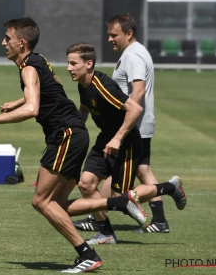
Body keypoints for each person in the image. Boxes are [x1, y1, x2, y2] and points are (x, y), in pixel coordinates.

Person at [0, 17, 150, 273]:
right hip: (76, 133)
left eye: (7, 39)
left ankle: (87, 253)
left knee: (40, 202)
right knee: (59, 205)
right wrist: (17, 101)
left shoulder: (28, 68)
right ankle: (120, 202)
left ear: (21, 42)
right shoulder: (39, 60)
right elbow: (54, 89)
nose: (3, 43)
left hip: (64, 135)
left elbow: (34, 108)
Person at [66, 42, 186, 246]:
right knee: (86, 184)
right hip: (106, 139)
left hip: (126, 142)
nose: (69, 68)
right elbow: (85, 108)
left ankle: (171, 187)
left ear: (88, 64)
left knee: (119, 197)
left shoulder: (104, 86)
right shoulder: (83, 85)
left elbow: (135, 110)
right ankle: (106, 234)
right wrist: (74, 131)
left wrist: (118, 138)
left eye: (72, 63)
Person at [73, 14, 171, 236]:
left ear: (129, 33)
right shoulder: (132, 53)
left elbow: (137, 92)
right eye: (109, 34)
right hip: (128, 126)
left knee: (121, 183)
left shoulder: (134, 55)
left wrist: (122, 129)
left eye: (113, 35)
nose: (109, 39)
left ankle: (168, 192)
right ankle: (159, 219)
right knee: (140, 170)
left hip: (130, 127)